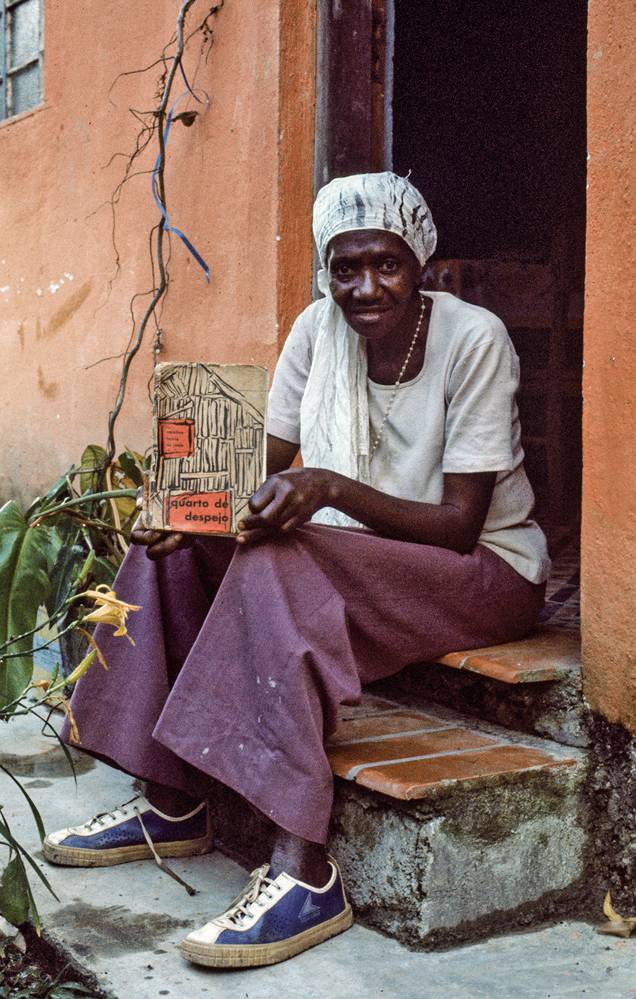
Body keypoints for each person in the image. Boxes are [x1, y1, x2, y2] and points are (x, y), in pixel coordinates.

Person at [44, 172, 550, 969]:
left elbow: (459, 526)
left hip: (484, 571)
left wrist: (327, 489)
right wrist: (179, 502)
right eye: (344, 267)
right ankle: (174, 800)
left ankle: (304, 867)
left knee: (278, 556)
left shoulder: (473, 337)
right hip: (364, 555)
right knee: (171, 538)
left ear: (418, 260)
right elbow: (264, 458)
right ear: (327, 270)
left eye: (385, 263)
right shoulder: (317, 331)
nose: (365, 286)